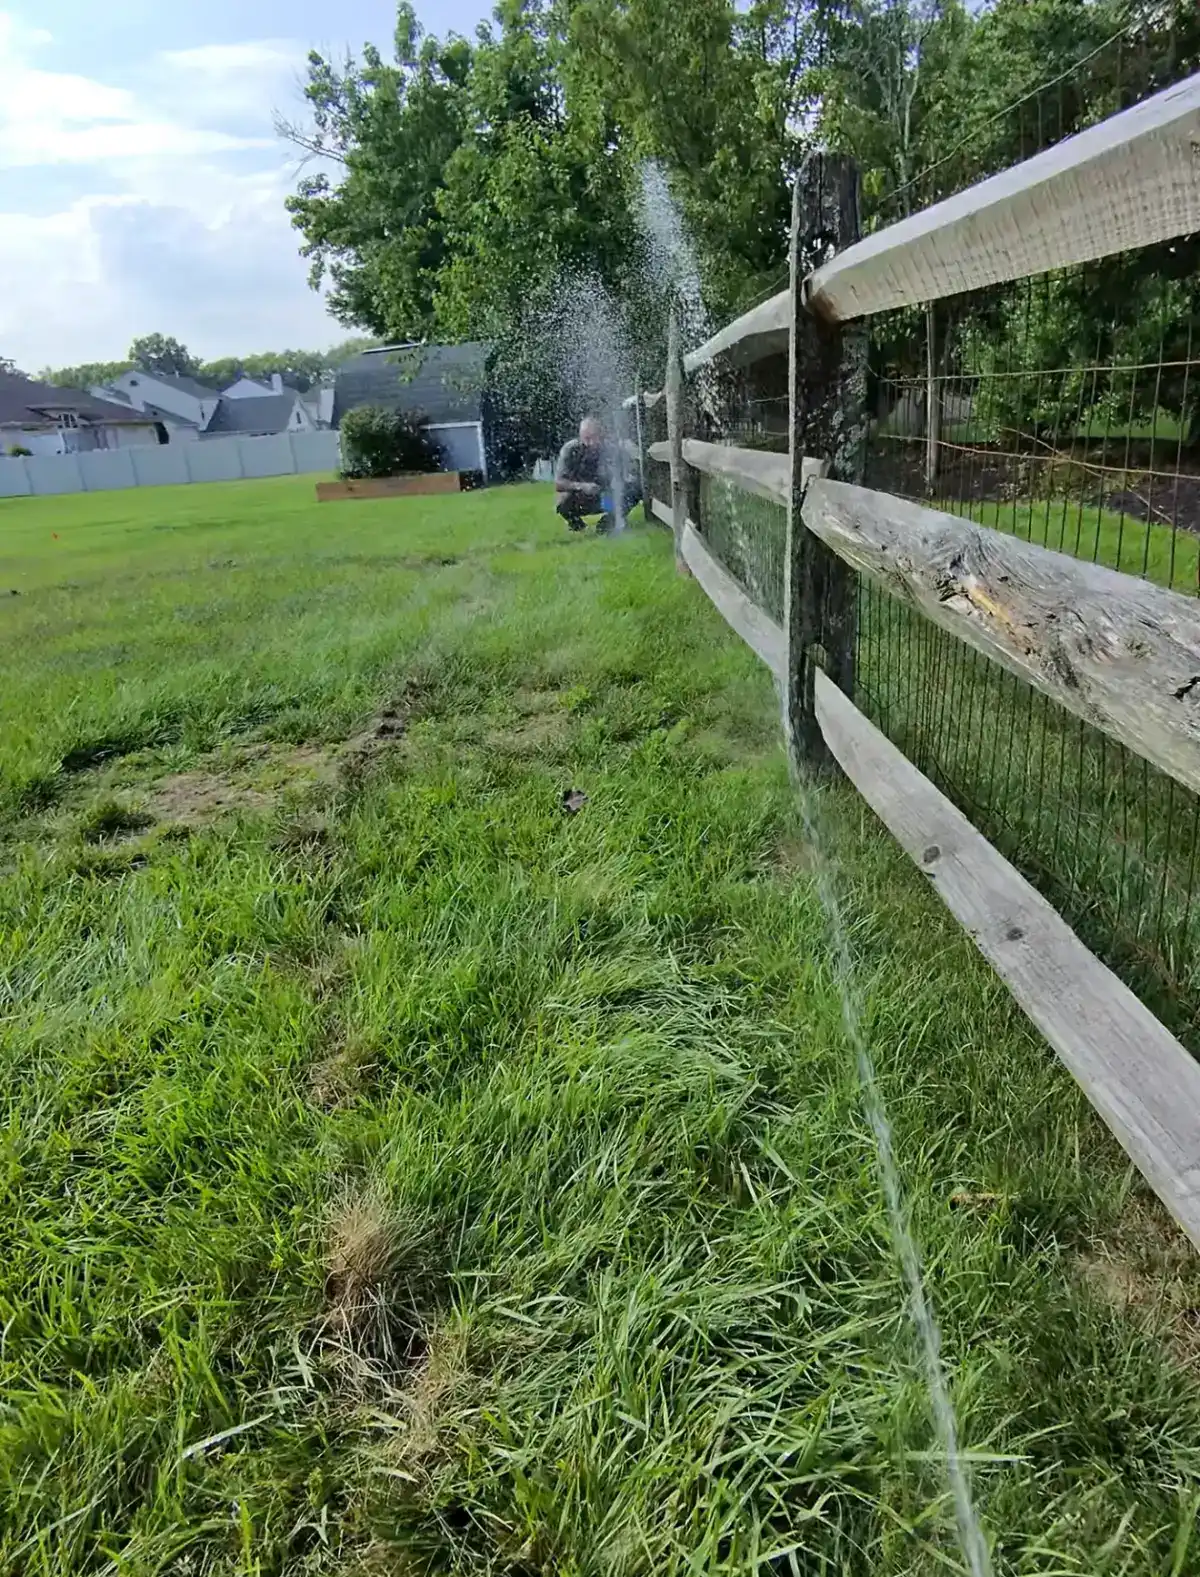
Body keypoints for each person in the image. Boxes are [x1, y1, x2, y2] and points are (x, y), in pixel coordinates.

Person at [555, 415, 641, 534]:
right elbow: (559, 484)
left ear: (601, 435)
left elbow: (625, 477)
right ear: (580, 437)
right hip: (581, 499)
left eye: (594, 437)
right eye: (586, 438)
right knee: (563, 501)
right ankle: (576, 524)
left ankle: (609, 521)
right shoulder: (570, 449)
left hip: (605, 500)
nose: (591, 443)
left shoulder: (611, 449)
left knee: (635, 489)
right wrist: (582, 487)